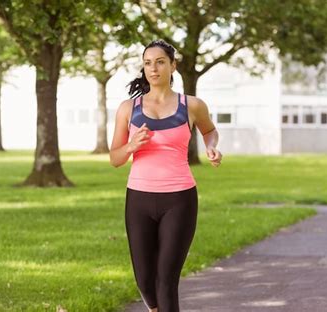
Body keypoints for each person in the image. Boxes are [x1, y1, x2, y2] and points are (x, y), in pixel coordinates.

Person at [109, 39, 222, 312]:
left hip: (179, 199)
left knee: (166, 281)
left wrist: (211, 147)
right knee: (145, 281)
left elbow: (209, 130)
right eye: (148, 63)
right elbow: (115, 158)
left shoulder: (192, 105)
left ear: (173, 66)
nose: (153, 69)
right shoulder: (128, 108)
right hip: (138, 200)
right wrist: (131, 146)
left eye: (160, 62)